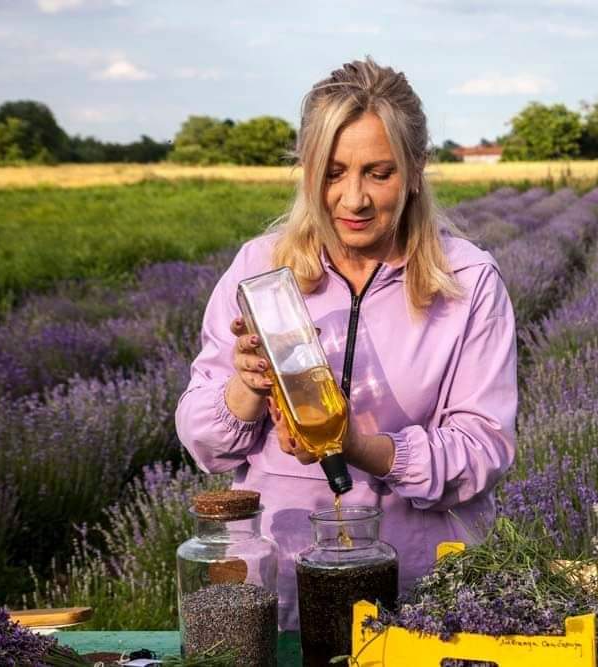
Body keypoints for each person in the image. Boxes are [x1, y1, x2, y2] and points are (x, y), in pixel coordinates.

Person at [174, 57, 518, 630]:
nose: (353, 200)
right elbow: (204, 442)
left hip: (422, 600)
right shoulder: (259, 267)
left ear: (415, 171)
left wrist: (358, 444)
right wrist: (246, 388)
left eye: (377, 173)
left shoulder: (468, 281)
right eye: (333, 172)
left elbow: (481, 451)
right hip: (283, 593)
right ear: (307, 170)